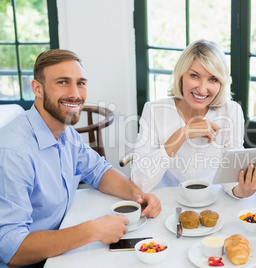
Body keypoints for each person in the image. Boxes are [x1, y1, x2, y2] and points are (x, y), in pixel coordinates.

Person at [0, 49, 161, 268]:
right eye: (63, 82)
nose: (75, 94)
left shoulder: (65, 132)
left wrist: (138, 196)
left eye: (81, 83)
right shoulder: (13, 151)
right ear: (37, 88)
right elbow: (11, 250)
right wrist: (92, 230)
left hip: (63, 245)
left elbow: (99, 171)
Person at [131, 39, 256, 198]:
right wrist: (182, 134)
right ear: (181, 75)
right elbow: (140, 182)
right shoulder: (154, 111)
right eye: (194, 76)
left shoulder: (231, 111)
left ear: (221, 83)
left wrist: (242, 191)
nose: (202, 89)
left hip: (213, 201)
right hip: (166, 204)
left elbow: (231, 176)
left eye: (213, 79)